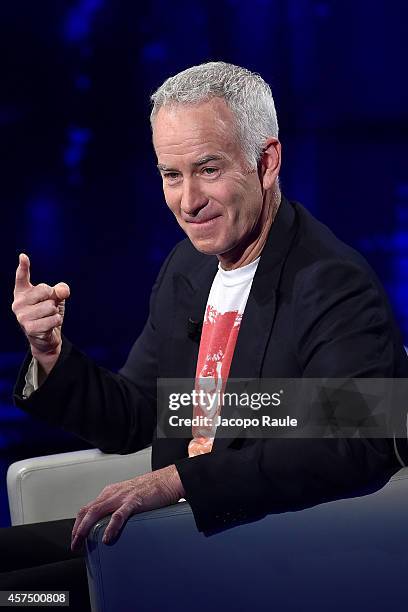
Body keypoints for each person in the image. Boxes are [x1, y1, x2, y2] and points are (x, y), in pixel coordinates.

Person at [3, 61, 408, 607]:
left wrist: (178, 481)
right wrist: (49, 354)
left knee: (23, 600)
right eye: (171, 175)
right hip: (171, 533)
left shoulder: (332, 283)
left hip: (254, 543)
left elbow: (350, 446)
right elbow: (135, 416)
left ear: (266, 162)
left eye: (208, 169)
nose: (187, 201)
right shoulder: (187, 269)